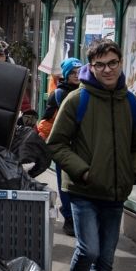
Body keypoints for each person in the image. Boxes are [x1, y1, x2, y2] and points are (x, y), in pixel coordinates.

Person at [48, 40, 136, 271]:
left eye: (112, 63)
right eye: (100, 64)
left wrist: (133, 172)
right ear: (91, 67)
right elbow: (56, 143)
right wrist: (84, 171)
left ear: (120, 63)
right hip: (84, 191)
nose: (107, 69)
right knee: (89, 250)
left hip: (115, 194)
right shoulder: (77, 99)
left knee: (105, 260)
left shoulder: (131, 103)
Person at [38, 57, 83, 235]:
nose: (76, 76)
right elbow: (46, 120)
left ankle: (77, 217)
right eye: (73, 72)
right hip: (64, 146)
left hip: (81, 145)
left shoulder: (86, 92)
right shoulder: (59, 94)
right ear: (66, 75)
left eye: (79, 72)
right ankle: (69, 218)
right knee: (65, 183)